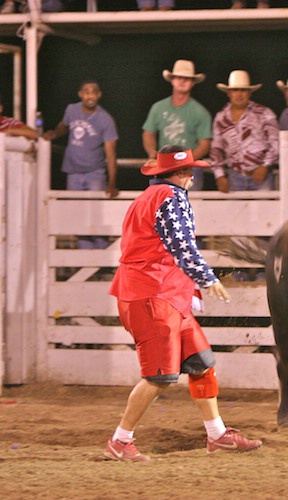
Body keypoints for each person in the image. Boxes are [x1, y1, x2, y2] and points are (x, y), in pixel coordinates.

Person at [105, 145, 262, 461]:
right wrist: (207, 278)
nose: (192, 176)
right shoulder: (171, 199)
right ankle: (120, 441)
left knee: (201, 363)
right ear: (180, 174)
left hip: (161, 294)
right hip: (154, 295)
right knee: (159, 376)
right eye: (188, 170)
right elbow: (182, 246)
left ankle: (217, 435)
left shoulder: (147, 198)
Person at [43, 79, 118, 249]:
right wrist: (54, 134)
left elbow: (111, 153)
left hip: (95, 173)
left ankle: (100, 263)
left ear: (99, 95)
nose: (90, 95)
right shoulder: (72, 109)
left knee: (97, 217)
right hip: (73, 172)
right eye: (86, 91)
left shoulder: (105, 119)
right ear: (80, 94)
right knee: (79, 216)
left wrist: (112, 183)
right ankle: (86, 262)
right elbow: (64, 126)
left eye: (93, 92)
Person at [142, 59, 212, 190]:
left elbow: (204, 145)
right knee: (162, 202)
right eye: (179, 77)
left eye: (187, 78)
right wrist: (152, 152)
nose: (182, 81)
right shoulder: (158, 107)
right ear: (172, 80)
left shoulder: (200, 112)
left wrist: (184, 161)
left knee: (191, 204)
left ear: (193, 83)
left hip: (189, 168)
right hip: (163, 167)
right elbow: (148, 133)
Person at [210, 70, 279, 193]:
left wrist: (265, 165)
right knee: (235, 212)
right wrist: (219, 175)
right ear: (229, 93)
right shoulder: (221, 118)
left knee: (266, 211)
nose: (239, 94)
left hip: (261, 176)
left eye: (243, 90)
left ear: (249, 93)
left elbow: (275, 142)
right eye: (235, 90)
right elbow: (216, 148)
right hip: (234, 176)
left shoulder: (264, 113)